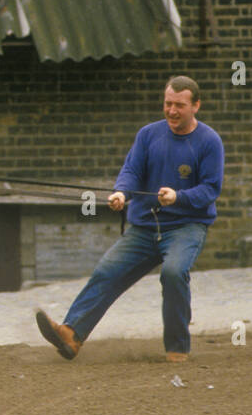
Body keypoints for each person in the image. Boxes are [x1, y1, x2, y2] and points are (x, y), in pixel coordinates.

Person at [36, 76, 223, 364]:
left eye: (180, 105)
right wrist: (121, 193)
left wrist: (179, 197)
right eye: (168, 104)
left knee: (173, 273)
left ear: (196, 105)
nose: (172, 111)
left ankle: (177, 347)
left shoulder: (209, 142)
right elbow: (131, 171)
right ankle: (71, 334)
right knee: (107, 270)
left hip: (185, 226)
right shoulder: (148, 135)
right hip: (145, 225)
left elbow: (211, 189)